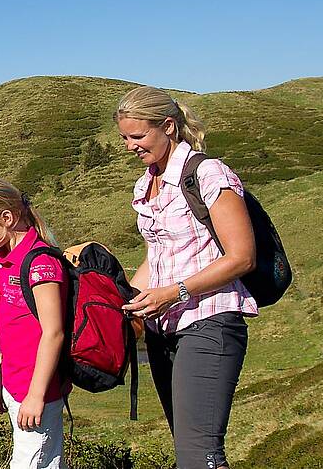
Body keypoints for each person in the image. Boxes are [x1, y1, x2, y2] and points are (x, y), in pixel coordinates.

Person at [115, 86, 258, 469]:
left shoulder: (207, 174)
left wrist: (174, 293)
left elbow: (242, 257)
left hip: (210, 321)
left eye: (138, 136)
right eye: (124, 138)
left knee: (199, 456)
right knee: (188, 448)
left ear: (168, 126)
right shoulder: (146, 184)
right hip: (164, 330)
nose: (130, 146)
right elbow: (157, 257)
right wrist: (126, 303)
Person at [0, 177, 70, 469]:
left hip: (38, 391)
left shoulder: (40, 263)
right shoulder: (5, 258)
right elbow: (11, 332)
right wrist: (0, 382)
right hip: (15, 385)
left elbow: (54, 333)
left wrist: (35, 396)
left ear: (7, 218)